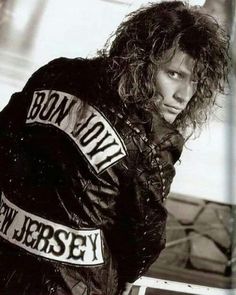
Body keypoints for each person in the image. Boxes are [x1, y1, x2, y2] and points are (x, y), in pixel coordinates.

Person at [0, 1, 230, 295]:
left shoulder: (55, 73)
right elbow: (142, 243)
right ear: (141, 61)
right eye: (174, 74)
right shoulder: (154, 137)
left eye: (195, 81)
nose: (184, 95)